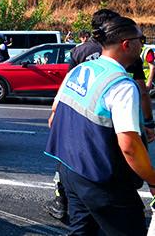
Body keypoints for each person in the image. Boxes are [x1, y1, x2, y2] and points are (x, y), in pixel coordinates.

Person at [45, 16, 155, 235]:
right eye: (141, 40)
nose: (142, 46)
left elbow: (54, 117)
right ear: (127, 44)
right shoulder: (122, 85)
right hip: (102, 179)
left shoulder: (80, 70)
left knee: (82, 232)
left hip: (71, 171)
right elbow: (129, 146)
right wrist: (152, 179)